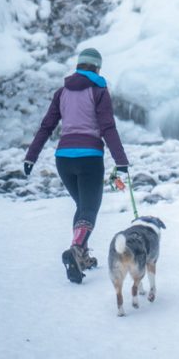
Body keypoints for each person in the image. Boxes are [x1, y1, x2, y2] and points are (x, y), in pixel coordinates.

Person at [24, 48, 130, 283]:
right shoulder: (99, 90)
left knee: (83, 206)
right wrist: (121, 162)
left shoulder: (62, 92)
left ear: (79, 67)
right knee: (89, 209)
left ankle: (82, 255)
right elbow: (107, 128)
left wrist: (30, 157)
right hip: (89, 158)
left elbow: (46, 127)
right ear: (97, 68)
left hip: (63, 159)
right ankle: (76, 249)